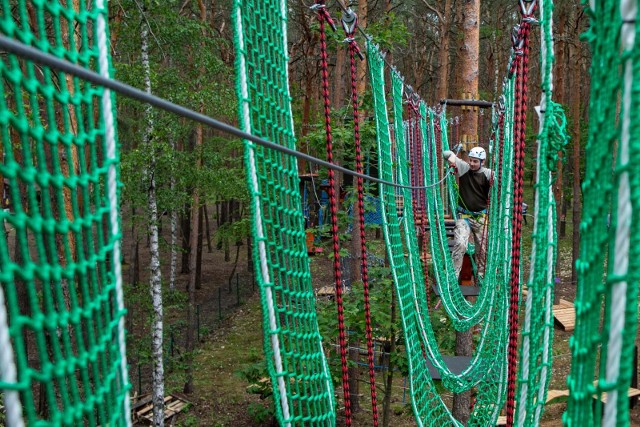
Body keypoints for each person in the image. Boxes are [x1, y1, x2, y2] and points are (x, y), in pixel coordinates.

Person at [442, 146, 493, 279]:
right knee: (460, 244)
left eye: (475, 161)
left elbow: (501, 180)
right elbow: (447, 154)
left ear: (482, 161)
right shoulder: (464, 168)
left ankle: (481, 277)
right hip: (464, 217)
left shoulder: (488, 174)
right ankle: (453, 277)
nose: (472, 163)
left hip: (481, 218)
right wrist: (452, 157)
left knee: (483, 250)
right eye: (471, 160)